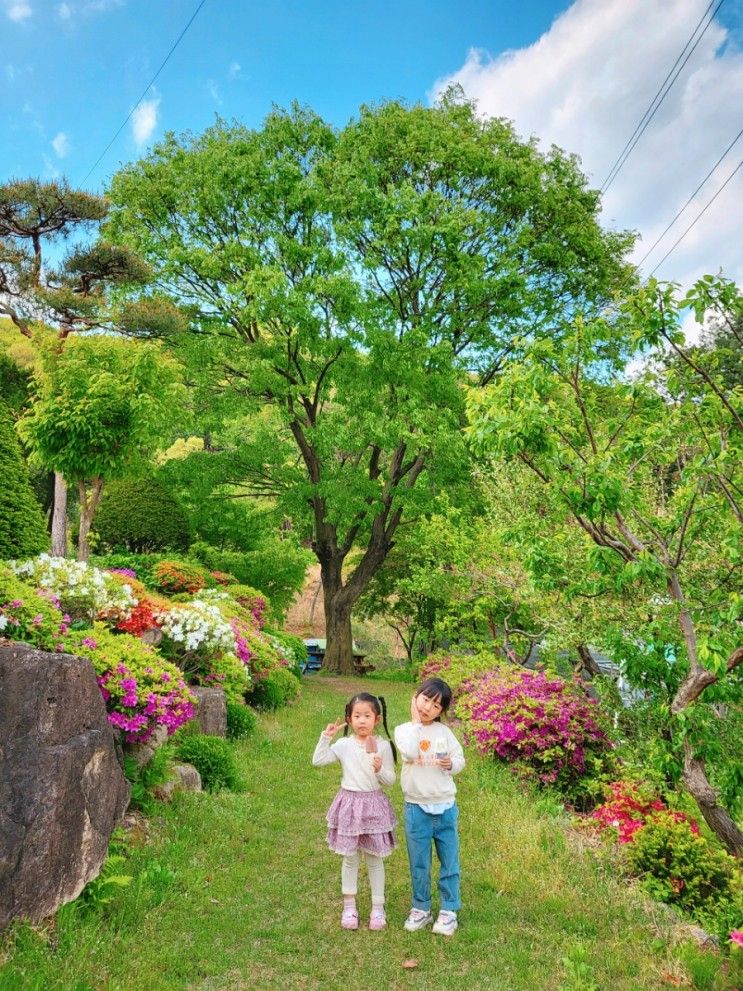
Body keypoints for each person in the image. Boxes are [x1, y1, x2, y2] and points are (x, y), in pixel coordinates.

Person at [312, 691, 398, 931]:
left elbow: (390, 780)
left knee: (374, 858)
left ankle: (377, 908)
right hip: (349, 804)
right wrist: (325, 738)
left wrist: (380, 769)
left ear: (377, 719)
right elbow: (318, 760)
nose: (362, 721)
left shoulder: (382, 746)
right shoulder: (345, 744)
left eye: (367, 715)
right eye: (357, 716)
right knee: (350, 858)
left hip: (373, 805)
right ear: (349, 720)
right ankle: (349, 906)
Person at [394, 677, 465, 936]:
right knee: (419, 862)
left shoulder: (444, 733)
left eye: (436, 706)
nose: (428, 708)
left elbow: (459, 759)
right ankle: (421, 907)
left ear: (441, 711)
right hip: (416, 808)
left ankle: (448, 910)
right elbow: (411, 753)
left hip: (445, 807)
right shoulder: (404, 730)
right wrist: (415, 723)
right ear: (416, 697)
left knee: (449, 860)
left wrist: (452, 765)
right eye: (425, 699)